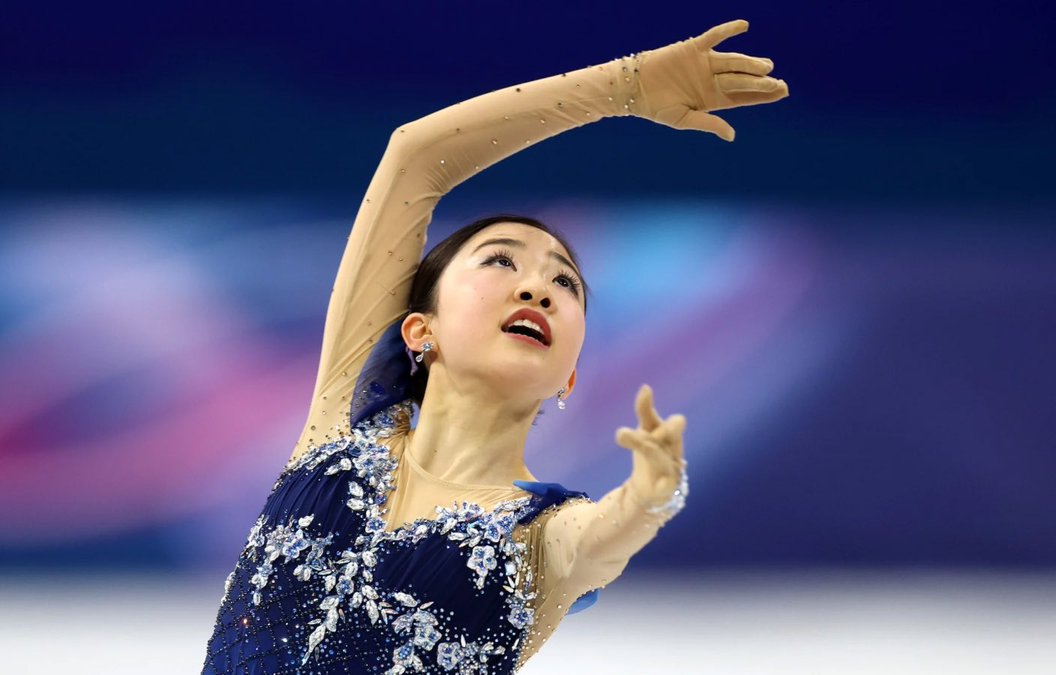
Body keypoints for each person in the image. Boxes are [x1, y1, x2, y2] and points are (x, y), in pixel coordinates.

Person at [201, 18, 787, 674]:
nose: (538, 286)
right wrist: (624, 85)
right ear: (421, 329)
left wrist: (649, 497)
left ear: (568, 378)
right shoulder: (344, 418)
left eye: (564, 281)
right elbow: (415, 157)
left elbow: (600, 538)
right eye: (501, 261)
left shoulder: (541, 534)